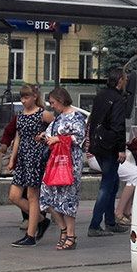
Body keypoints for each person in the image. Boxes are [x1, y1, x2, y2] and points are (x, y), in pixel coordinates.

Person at [38, 87, 87, 251]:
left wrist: (58, 138)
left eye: (53, 102)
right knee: (46, 196)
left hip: (70, 161)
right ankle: (63, 229)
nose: (52, 106)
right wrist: (44, 137)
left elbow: (79, 137)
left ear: (61, 100)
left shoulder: (76, 116)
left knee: (67, 197)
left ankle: (70, 235)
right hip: (55, 161)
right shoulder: (58, 118)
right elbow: (51, 132)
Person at [7, 84, 55, 247]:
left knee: (32, 196)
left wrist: (45, 137)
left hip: (35, 157)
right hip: (23, 158)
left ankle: (30, 234)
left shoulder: (43, 114)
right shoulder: (20, 115)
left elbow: (56, 128)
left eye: (26, 97)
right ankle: (40, 220)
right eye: (21, 97)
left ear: (34, 97)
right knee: (14, 196)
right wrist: (13, 159)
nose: (23, 101)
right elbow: (17, 138)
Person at [87, 68, 128, 237]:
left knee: (113, 182)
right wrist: (121, 148)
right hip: (110, 145)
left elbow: (94, 119)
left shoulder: (101, 95)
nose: (125, 82)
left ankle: (110, 221)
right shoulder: (118, 99)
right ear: (119, 81)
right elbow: (118, 125)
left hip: (98, 144)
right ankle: (95, 224)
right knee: (107, 185)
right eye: (124, 79)